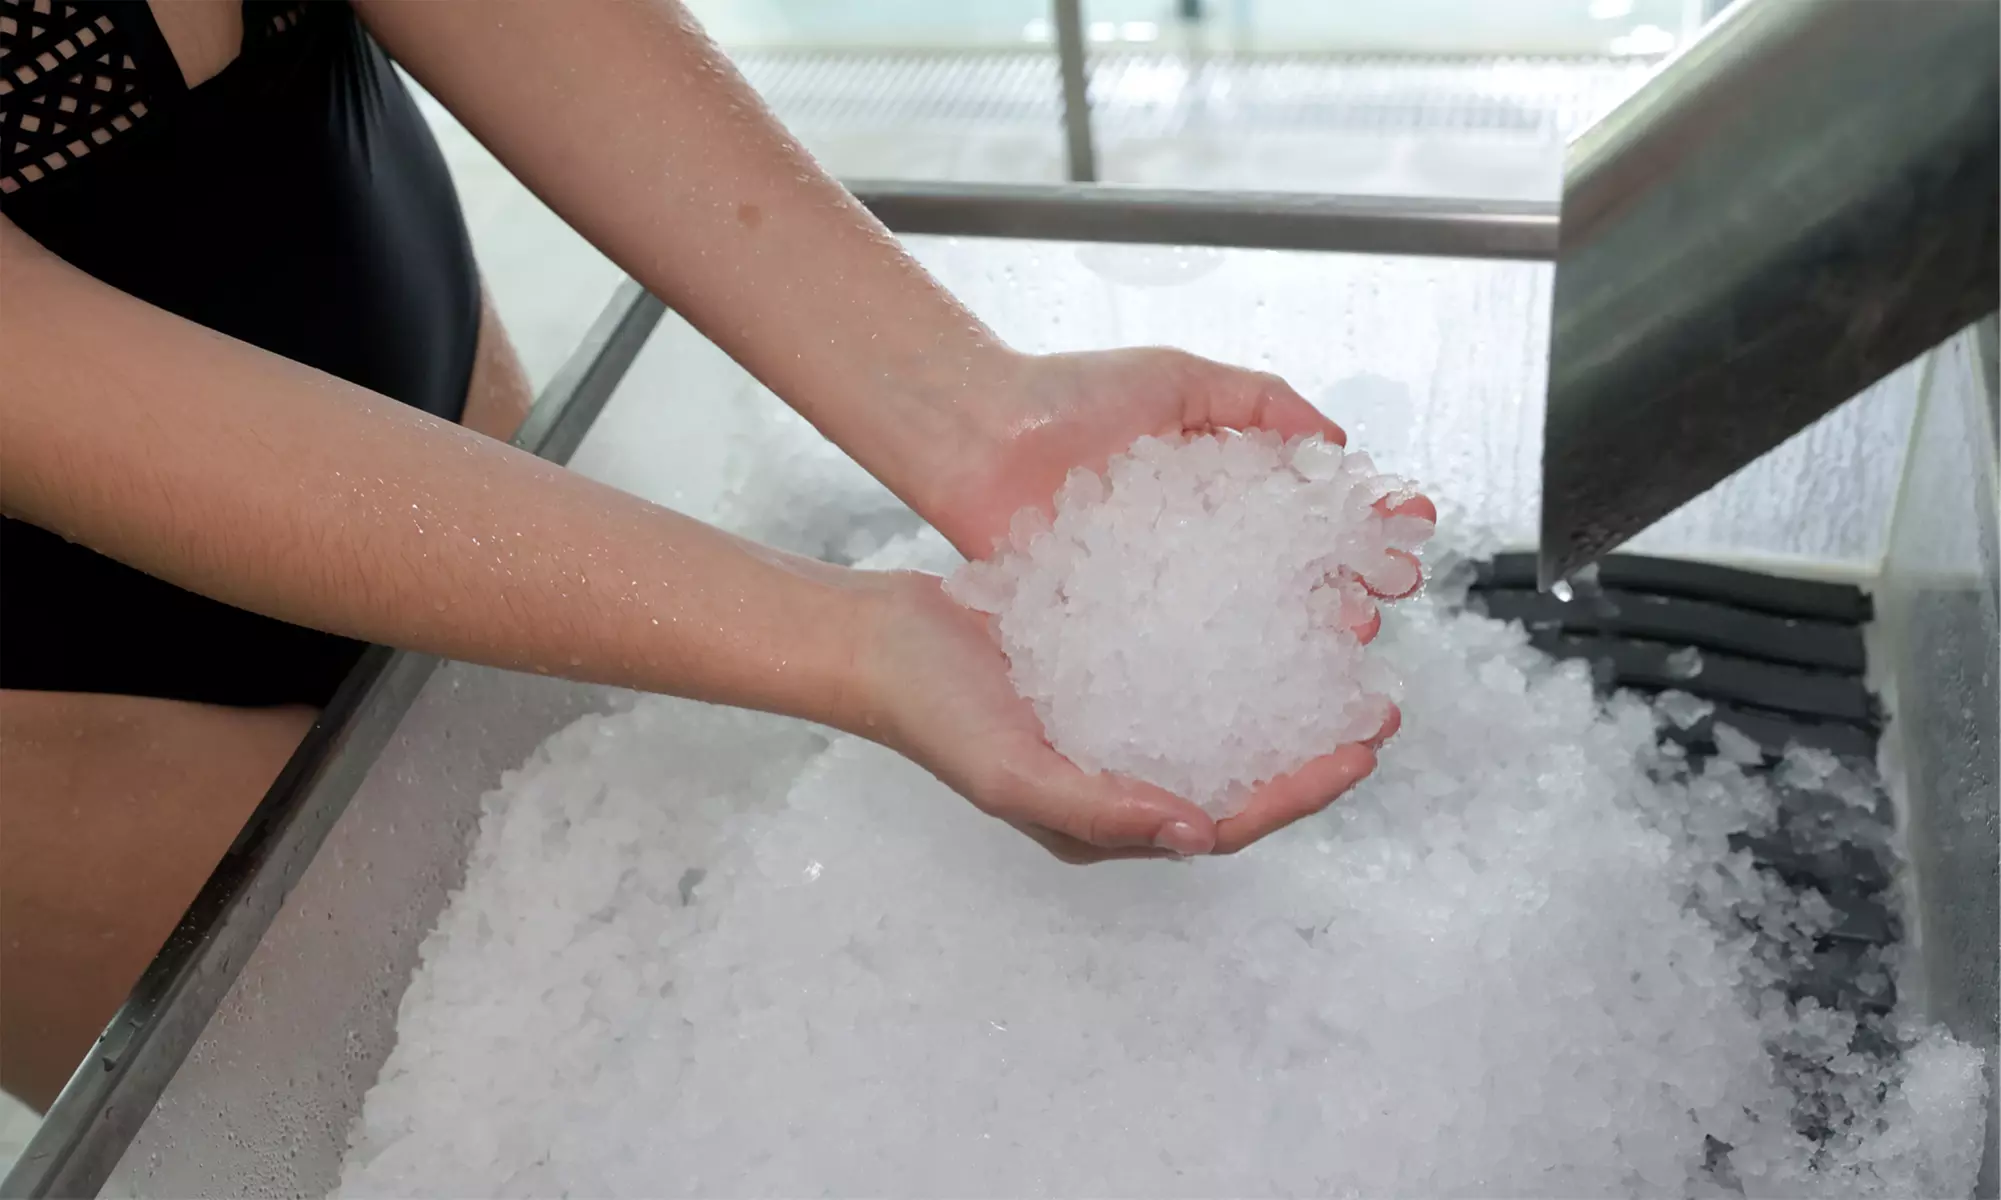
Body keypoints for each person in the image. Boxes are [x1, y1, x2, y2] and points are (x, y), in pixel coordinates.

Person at [0, 0, 1432, 1111]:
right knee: (509, 1121)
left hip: (447, 413)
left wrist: (974, 411)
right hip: (78, 698)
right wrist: (853, 639)